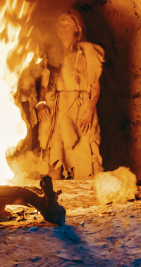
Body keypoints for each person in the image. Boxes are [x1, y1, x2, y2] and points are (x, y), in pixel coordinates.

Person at [37, 9, 104, 179]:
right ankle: (53, 200)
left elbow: (95, 85)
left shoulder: (88, 52)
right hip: (56, 109)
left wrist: (89, 109)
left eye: (68, 24)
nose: (64, 27)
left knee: (83, 156)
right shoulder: (50, 53)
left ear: (77, 28)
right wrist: (41, 104)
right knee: (54, 155)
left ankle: (84, 200)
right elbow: (44, 84)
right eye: (60, 24)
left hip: (80, 108)